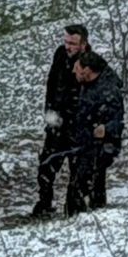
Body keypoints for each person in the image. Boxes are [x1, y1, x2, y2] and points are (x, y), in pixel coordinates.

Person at [34, 23, 91, 217]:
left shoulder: (89, 62)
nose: (68, 46)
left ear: (83, 44)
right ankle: (44, 202)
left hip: (77, 124)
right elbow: (51, 83)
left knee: (78, 169)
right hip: (56, 120)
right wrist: (49, 112)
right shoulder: (60, 55)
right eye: (66, 42)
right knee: (46, 164)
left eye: (72, 43)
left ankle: (73, 208)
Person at [66, 50, 126, 215]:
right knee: (79, 187)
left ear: (87, 70)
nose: (73, 71)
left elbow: (118, 122)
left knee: (87, 187)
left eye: (77, 68)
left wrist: (105, 130)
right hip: (84, 146)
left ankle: (91, 218)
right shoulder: (89, 86)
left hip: (97, 150)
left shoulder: (108, 91)